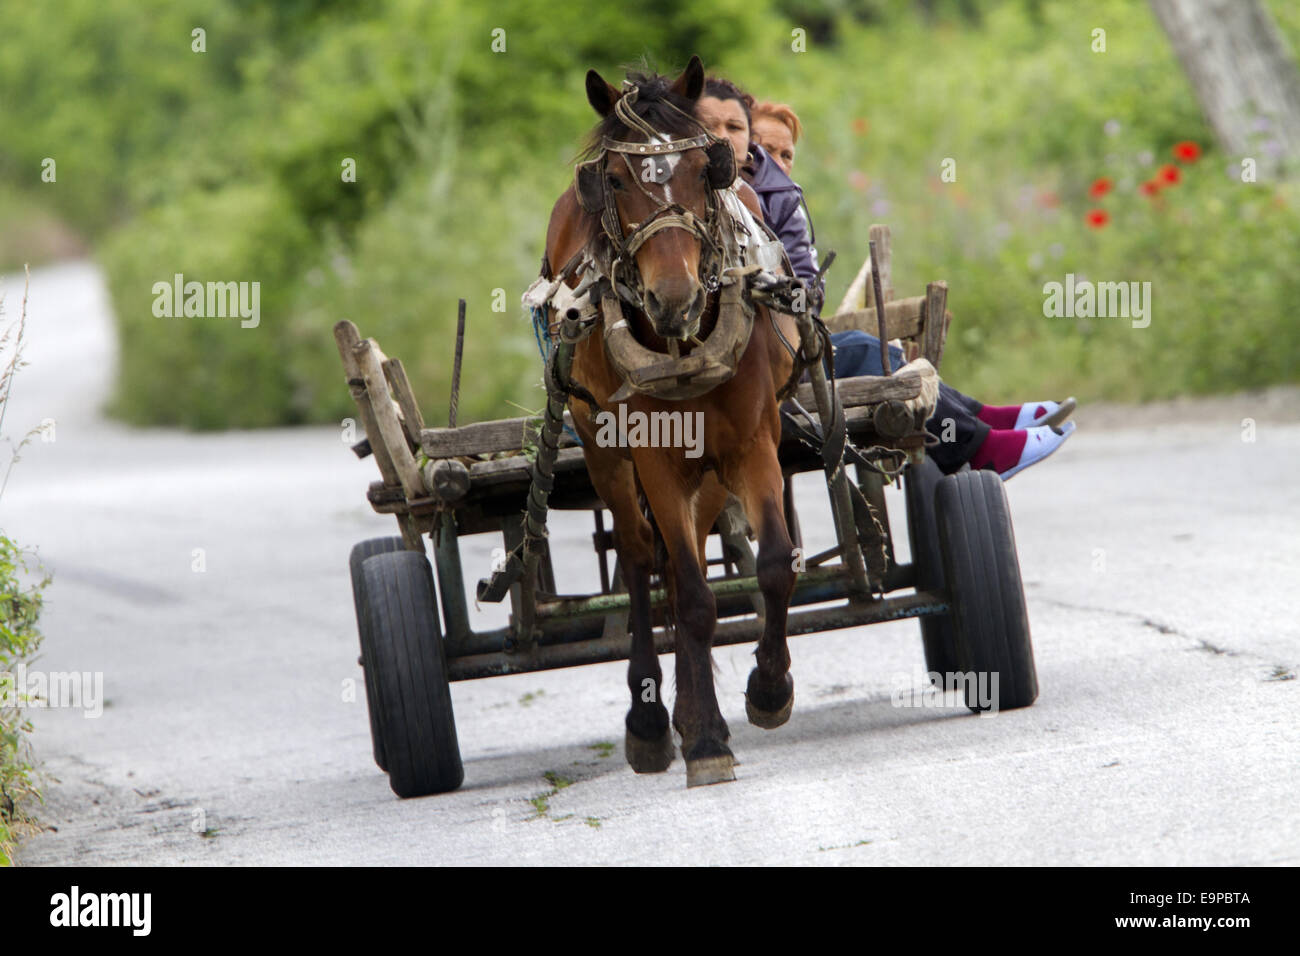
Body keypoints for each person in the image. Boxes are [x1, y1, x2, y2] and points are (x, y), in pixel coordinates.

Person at [695, 79, 1075, 479]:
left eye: (784, 153)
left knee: (869, 348)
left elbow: (806, 285)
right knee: (862, 348)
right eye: (765, 148)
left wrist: (783, 295)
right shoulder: (696, 193)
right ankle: (983, 443)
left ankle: (985, 424)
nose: (771, 160)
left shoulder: (778, 196)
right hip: (737, 363)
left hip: (781, 344)